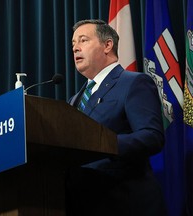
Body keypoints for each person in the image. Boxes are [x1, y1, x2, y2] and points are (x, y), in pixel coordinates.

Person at [66, 19, 166, 216]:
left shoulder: (133, 83)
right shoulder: (74, 100)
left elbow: (152, 136)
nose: (76, 48)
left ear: (107, 45)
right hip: (83, 203)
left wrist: (102, 144)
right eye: (73, 43)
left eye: (83, 40)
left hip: (124, 202)